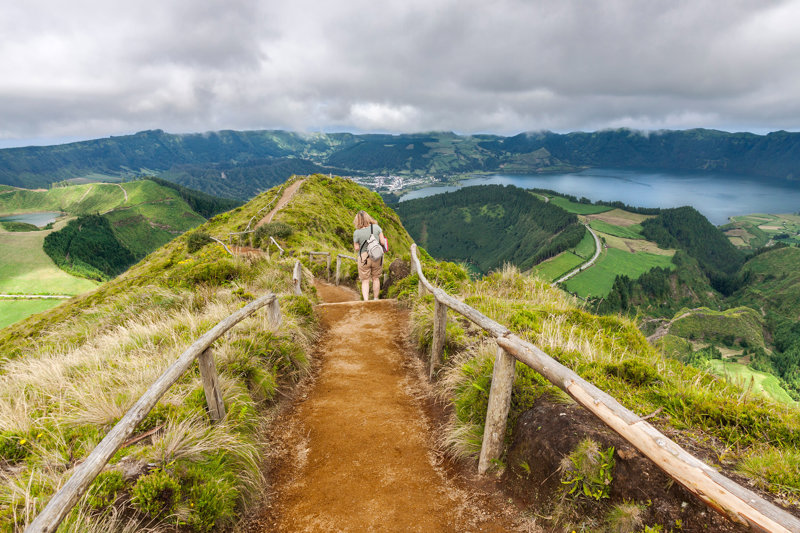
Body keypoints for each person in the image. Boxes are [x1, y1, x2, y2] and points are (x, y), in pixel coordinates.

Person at [353, 210, 388, 301]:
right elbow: (382, 242)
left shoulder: (356, 233)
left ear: (357, 220)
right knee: (376, 278)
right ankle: (376, 299)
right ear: (368, 217)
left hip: (364, 258)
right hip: (376, 256)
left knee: (365, 280)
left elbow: (356, 248)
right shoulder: (376, 228)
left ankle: (366, 301)